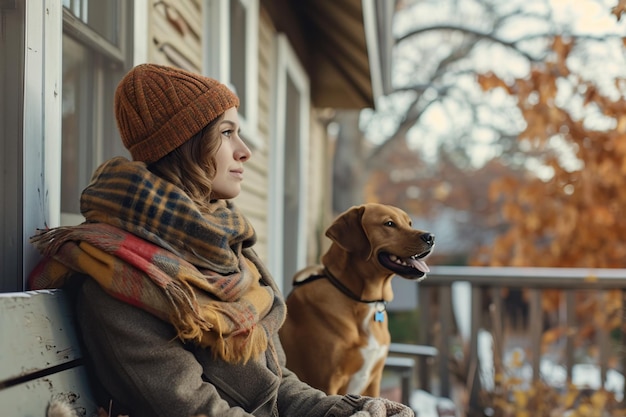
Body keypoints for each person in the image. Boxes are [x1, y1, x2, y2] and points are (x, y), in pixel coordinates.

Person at [29, 63, 415, 417]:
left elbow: (276, 388)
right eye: (227, 133)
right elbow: (197, 410)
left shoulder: (228, 256)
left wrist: (346, 411)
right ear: (183, 148)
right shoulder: (120, 279)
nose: (244, 152)